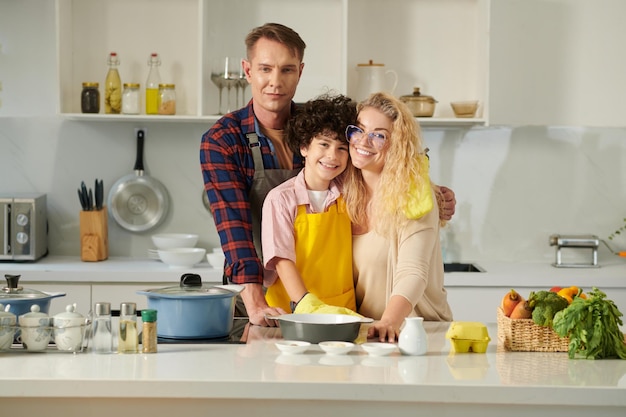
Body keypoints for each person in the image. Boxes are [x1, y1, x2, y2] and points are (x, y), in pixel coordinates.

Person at [200, 22, 456, 327]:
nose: (275, 82)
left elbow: (377, 148)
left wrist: (427, 187)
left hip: (333, 300)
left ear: (300, 71)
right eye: (265, 69)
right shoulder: (223, 140)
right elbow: (235, 228)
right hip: (262, 294)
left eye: (287, 70)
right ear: (248, 70)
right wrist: (255, 302)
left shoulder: (320, 122)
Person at [342, 92, 453, 342]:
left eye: (379, 135)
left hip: (418, 333)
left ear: (397, 145)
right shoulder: (342, 193)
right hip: (366, 335)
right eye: (359, 130)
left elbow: (413, 272)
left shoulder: (414, 196)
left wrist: (389, 321)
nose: (363, 141)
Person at [261, 94, 359, 315]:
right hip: (291, 311)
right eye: (324, 144)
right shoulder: (281, 199)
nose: (332, 156)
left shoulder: (350, 194)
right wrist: (309, 307)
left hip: (341, 311)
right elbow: (281, 260)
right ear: (304, 147)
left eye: (342, 148)